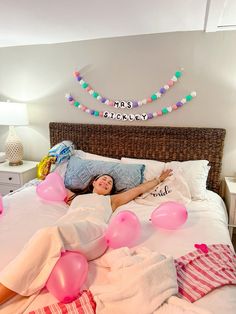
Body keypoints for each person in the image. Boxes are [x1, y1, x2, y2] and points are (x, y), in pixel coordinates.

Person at [0, 169, 172, 305]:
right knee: (43, 236)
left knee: (47, 234)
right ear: (94, 182)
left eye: (110, 183)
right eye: (103, 179)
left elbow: (138, 190)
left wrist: (158, 179)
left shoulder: (112, 200)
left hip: (93, 231)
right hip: (66, 229)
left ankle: (4, 291)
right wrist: (46, 170)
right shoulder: (74, 197)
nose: (106, 182)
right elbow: (52, 180)